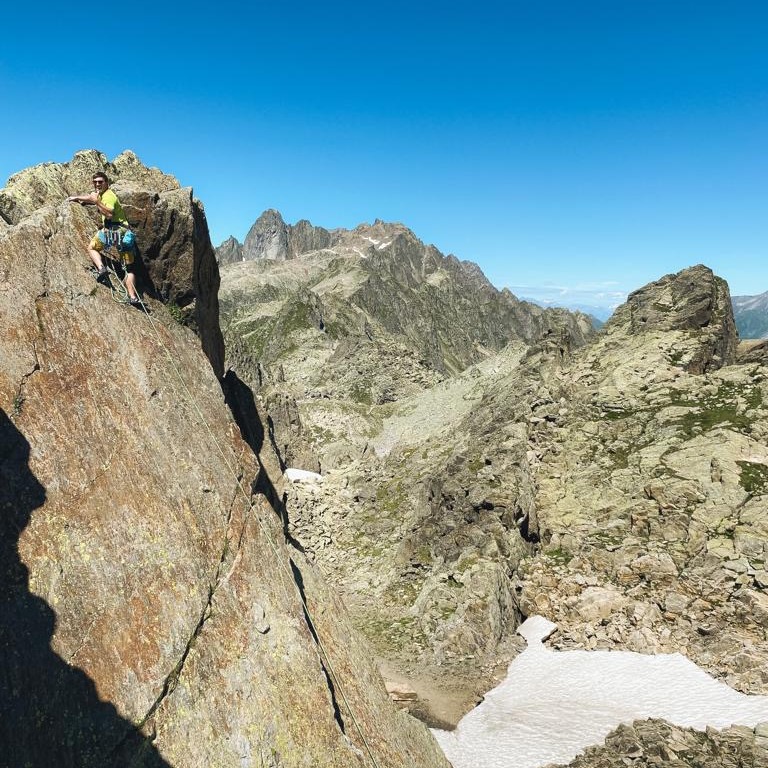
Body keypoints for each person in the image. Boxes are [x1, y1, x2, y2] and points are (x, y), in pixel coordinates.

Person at [68, 172, 141, 307]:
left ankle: (102, 268)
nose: (97, 184)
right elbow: (91, 198)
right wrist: (77, 198)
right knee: (129, 269)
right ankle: (132, 297)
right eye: (95, 182)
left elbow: (108, 214)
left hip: (113, 232)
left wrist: (96, 201)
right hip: (125, 234)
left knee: (92, 247)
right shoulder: (102, 194)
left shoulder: (109, 195)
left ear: (107, 182)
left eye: (100, 182)